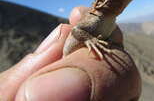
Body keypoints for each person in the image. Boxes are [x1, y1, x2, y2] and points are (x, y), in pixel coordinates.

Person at [0, 6, 142, 101]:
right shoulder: (94, 16)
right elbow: (76, 31)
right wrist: (91, 39)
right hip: (65, 57)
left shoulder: (110, 21)